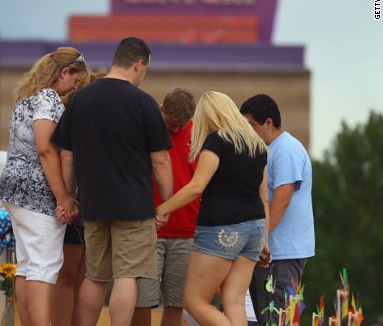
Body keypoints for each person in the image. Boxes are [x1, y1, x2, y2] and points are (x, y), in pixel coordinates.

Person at [51, 37, 173, 326]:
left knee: (95, 276)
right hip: (134, 206)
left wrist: (69, 196)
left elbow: (66, 156)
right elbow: (160, 161)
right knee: (126, 276)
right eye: (146, 69)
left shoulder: (81, 98)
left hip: (94, 204)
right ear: (139, 64)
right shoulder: (143, 103)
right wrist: (167, 203)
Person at [155, 91, 269, 326]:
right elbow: (264, 198)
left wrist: (162, 208)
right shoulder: (257, 145)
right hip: (255, 229)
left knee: (194, 300)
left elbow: (196, 187)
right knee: (235, 301)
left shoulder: (216, 141)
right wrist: (265, 238)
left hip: (221, 230)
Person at [0, 47, 88, 326]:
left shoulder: (26, 98)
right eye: (76, 80)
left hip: (13, 189)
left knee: (26, 266)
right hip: (36, 193)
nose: (75, 87)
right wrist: (63, 197)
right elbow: (47, 149)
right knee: (44, 267)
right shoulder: (48, 98)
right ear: (64, 72)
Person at [240, 94, 315, 326]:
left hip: (281, 253)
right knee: (268, 317)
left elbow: (281, 200)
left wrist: (260, 240)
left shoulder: (287, 151)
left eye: (250, 125)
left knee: (276, 318)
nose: (247, 130)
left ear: (268, 123)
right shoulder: (273, 149)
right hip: (271, 251)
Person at [131, 88, 200, 326]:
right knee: (141, 299)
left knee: (176, 301)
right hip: (148, 227)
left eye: (183, 125)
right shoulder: (145, 130)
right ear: (161, 110)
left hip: (187, 229)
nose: (177, 130)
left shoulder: (200, 134)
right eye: (172, 124)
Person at [51, 70, 105, 326]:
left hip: (79, 205)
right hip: (84, 205)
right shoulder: (83, 121)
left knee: (72, 275)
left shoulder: (74, 118)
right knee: (79, 275)